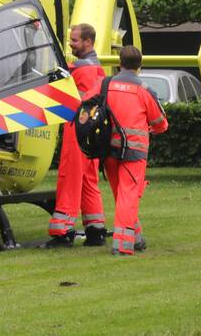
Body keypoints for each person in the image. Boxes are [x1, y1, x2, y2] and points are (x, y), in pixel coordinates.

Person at [99, 45, 169, 255]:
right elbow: (160, 123)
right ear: (140, 66)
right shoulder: (144, 90)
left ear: (119, 63)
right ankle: (122, 244)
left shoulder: (106, 84)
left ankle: (136, 237)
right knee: (128, 196)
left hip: (109, 149)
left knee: (121, 195)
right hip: (134, 152)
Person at [44, 23, 107, 247]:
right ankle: (95, 229)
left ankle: (63, 232)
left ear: (88, 42)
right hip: (92, 133)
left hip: (76, 130)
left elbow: (66, 96)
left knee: (69, 177)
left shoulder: (81, 70)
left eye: (75, 40)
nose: (70, 44)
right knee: (89, 180)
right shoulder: (97, 68)